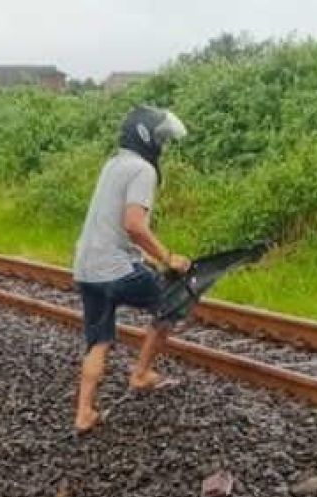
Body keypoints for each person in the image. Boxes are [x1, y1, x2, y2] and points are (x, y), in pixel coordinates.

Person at [72, 105, 193, 435]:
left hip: (86, 267)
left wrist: (149, 260)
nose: (162, 146)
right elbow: (134, 226)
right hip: (114, 269)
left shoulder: (113, 164)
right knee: (173, 301)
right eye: (161, 139)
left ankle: (84, 413)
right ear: (146, 138)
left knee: (98, 341)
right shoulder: (142, 170)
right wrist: (168, 258)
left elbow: (115, 226)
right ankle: (141, 374)